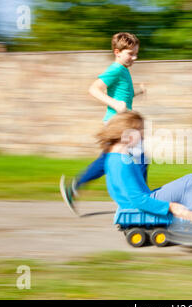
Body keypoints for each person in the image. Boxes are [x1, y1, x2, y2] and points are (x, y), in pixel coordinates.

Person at [60, 32, 146, 214]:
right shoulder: (116, 69)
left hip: (121, 123)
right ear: (117, 52)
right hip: (117, 124)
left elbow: (123, 96)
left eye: (136, 53)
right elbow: (94, 89)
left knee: (112, 159)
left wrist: (137, 92)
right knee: (139, 158)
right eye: (130, 53)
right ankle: (141, 200)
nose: (134, 57)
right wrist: (115, 104)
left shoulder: (124, 71)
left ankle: (75, 186)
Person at [99, 111, 192, 237]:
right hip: (147, 200)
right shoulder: (123, 163)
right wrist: (172, 206)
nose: (143, 136)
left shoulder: (114, 158)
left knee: (189, 182)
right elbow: (138, 200)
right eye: (140, 131)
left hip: (145, 197)